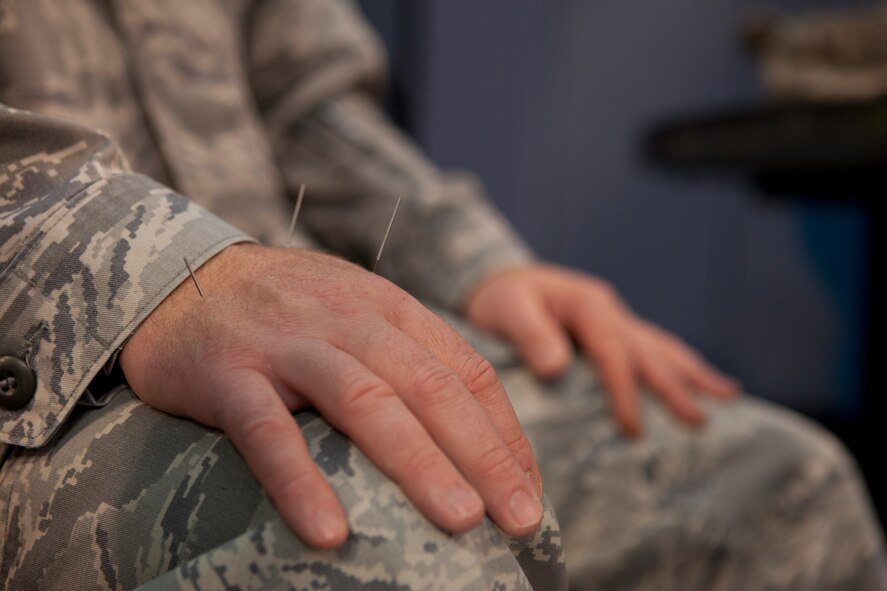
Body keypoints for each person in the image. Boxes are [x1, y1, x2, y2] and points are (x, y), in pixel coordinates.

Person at [0, 1, 884, 589]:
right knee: (401, 534)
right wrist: (161, 273)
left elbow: (301, 99)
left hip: (296, 295)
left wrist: (478, 263)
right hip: (42, 360)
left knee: (775, 481)